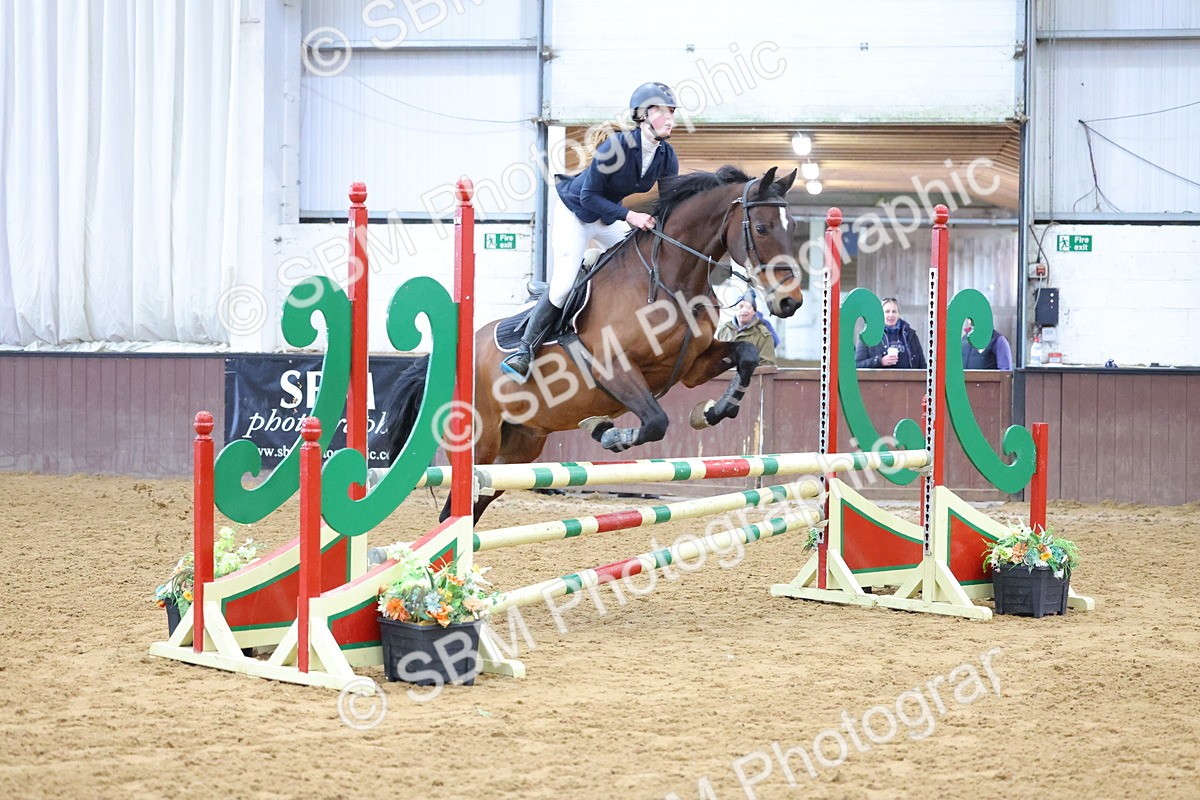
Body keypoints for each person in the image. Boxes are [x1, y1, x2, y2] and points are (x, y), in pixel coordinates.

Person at [501, 82, 680, 383]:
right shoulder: (617, 147)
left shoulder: (666, 156)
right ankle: (524, 350)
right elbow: (588, 197)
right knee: (562, 287)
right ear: (642, 116)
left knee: (639, 254)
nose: (670, 118)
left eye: (672, 111)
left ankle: (588, 270)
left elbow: (670, 201)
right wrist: (631, 215)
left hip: (607, 219)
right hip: (577, 213)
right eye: (661, 111)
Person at [854, 297, 926, 369]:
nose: (891, 315)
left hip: (909, 379)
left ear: (898, 314)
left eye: (894, 311)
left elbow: (922, 366)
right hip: (880, 380)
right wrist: (880, 361)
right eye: (887, 311)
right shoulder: (868, 335)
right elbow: (857, 364)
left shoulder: (910, 335)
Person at [716, 292, 779, 367]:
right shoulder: (724, 331)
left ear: (754, 312)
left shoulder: (763, 335)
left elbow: (767, 365)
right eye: (740, 306)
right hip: (725, 378)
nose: (744, 310)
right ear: (735, 310)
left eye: (748, 307)